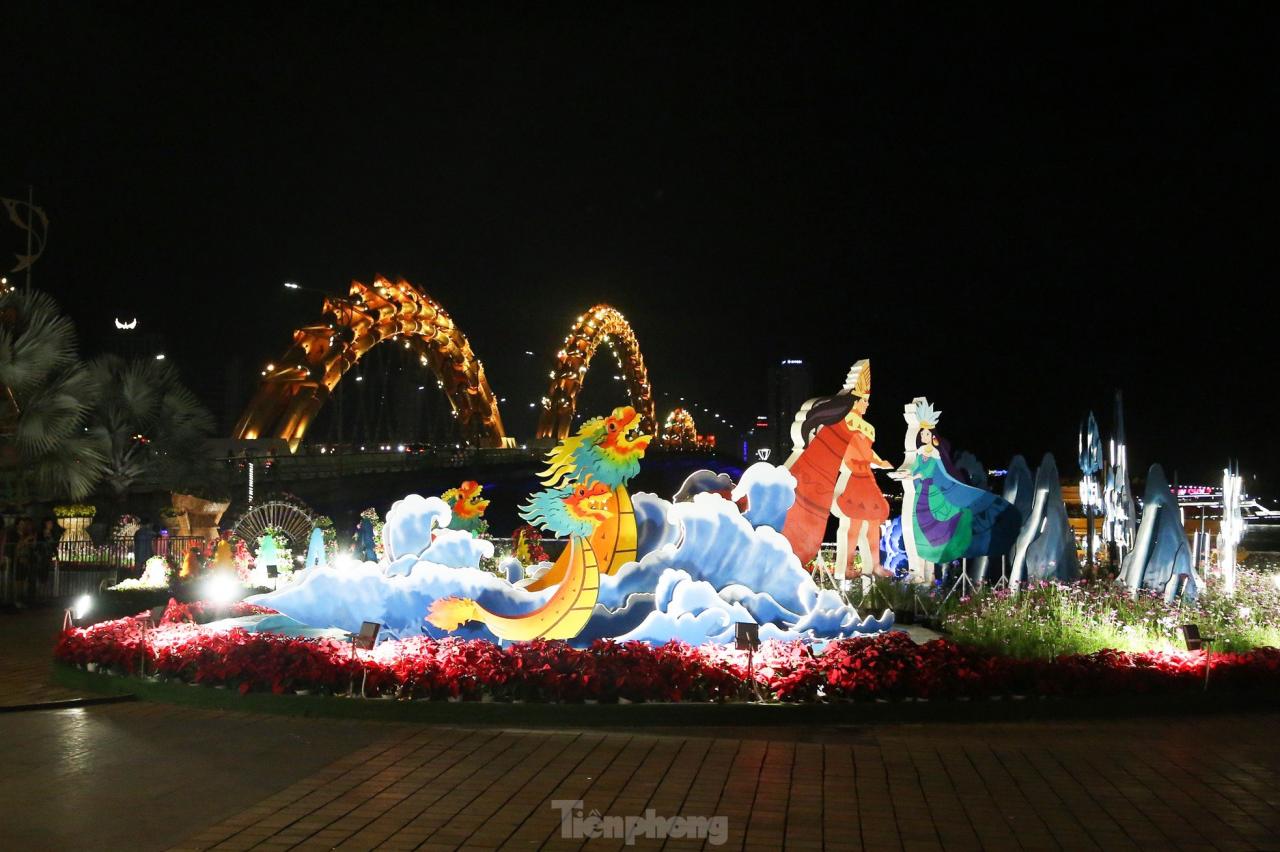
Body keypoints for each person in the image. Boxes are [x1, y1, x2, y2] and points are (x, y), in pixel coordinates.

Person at [781, 360, 893, 585]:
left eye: (868, 401)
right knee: (852, 523)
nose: (866, 405)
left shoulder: (867, 427)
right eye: (864, 400)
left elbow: (867, 453)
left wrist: (880, 463)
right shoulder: (844, 423)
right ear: (854, 400)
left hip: (868, 480)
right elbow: (846, 451)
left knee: (872, 522)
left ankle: (875, 564)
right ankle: (847, 566)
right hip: (853, 479)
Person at [35, 517, 60, 598]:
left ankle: (44, 594)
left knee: (47, 575)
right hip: (41, 556)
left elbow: (54, 546)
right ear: (45, 524)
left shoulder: (53, 534)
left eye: (51, 523)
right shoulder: (40, 534)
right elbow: (37, 545)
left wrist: (56, 556)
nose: (51, 525)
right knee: (41, 574)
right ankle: (39, 594)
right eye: (49, 523)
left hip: (48, 556)